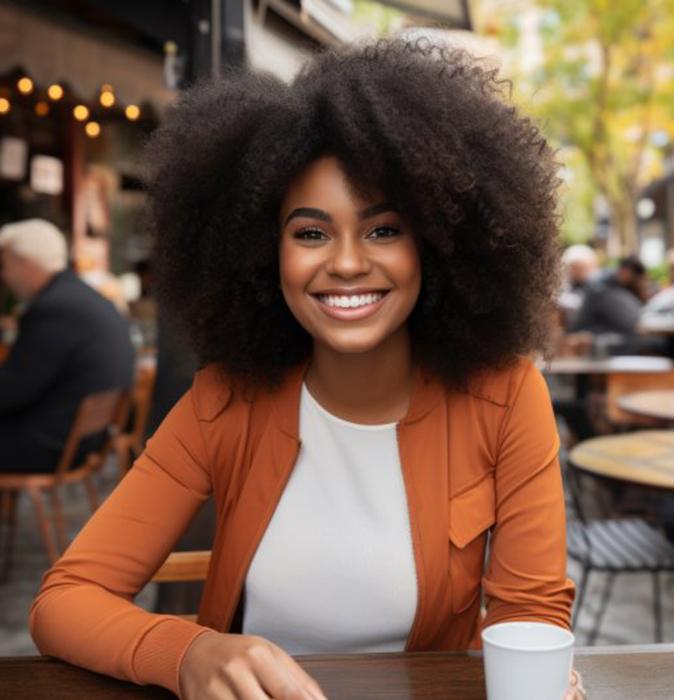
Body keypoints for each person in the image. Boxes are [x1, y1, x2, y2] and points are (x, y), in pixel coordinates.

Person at [30, 40, 582, 699]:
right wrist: (188, 654)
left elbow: (531, 616)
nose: (346, 263)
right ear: (264, 253)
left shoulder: (505, 395)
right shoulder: (224, 401)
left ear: (438, 243)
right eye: (311, 233)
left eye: (383, 230)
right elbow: (65, 599)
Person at [0, 219, 135, 472]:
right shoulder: (82, 297)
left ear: (24, 262)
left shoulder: (53, 307)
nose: (4, 276)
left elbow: (13, 391)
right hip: (84, 439)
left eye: (5, 265)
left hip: (50, 445)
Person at [571, 256, 651, 355]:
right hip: (595, 339)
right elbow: (629, 321)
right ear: (627, 271)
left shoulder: (610, 286)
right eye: (637, 278)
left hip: (601, 336)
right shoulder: (603, 288)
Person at [558, 244, 599, 328]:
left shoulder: (598, 284)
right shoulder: (566, 283)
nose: (582, 272)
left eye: (584, 268)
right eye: (576, 268)